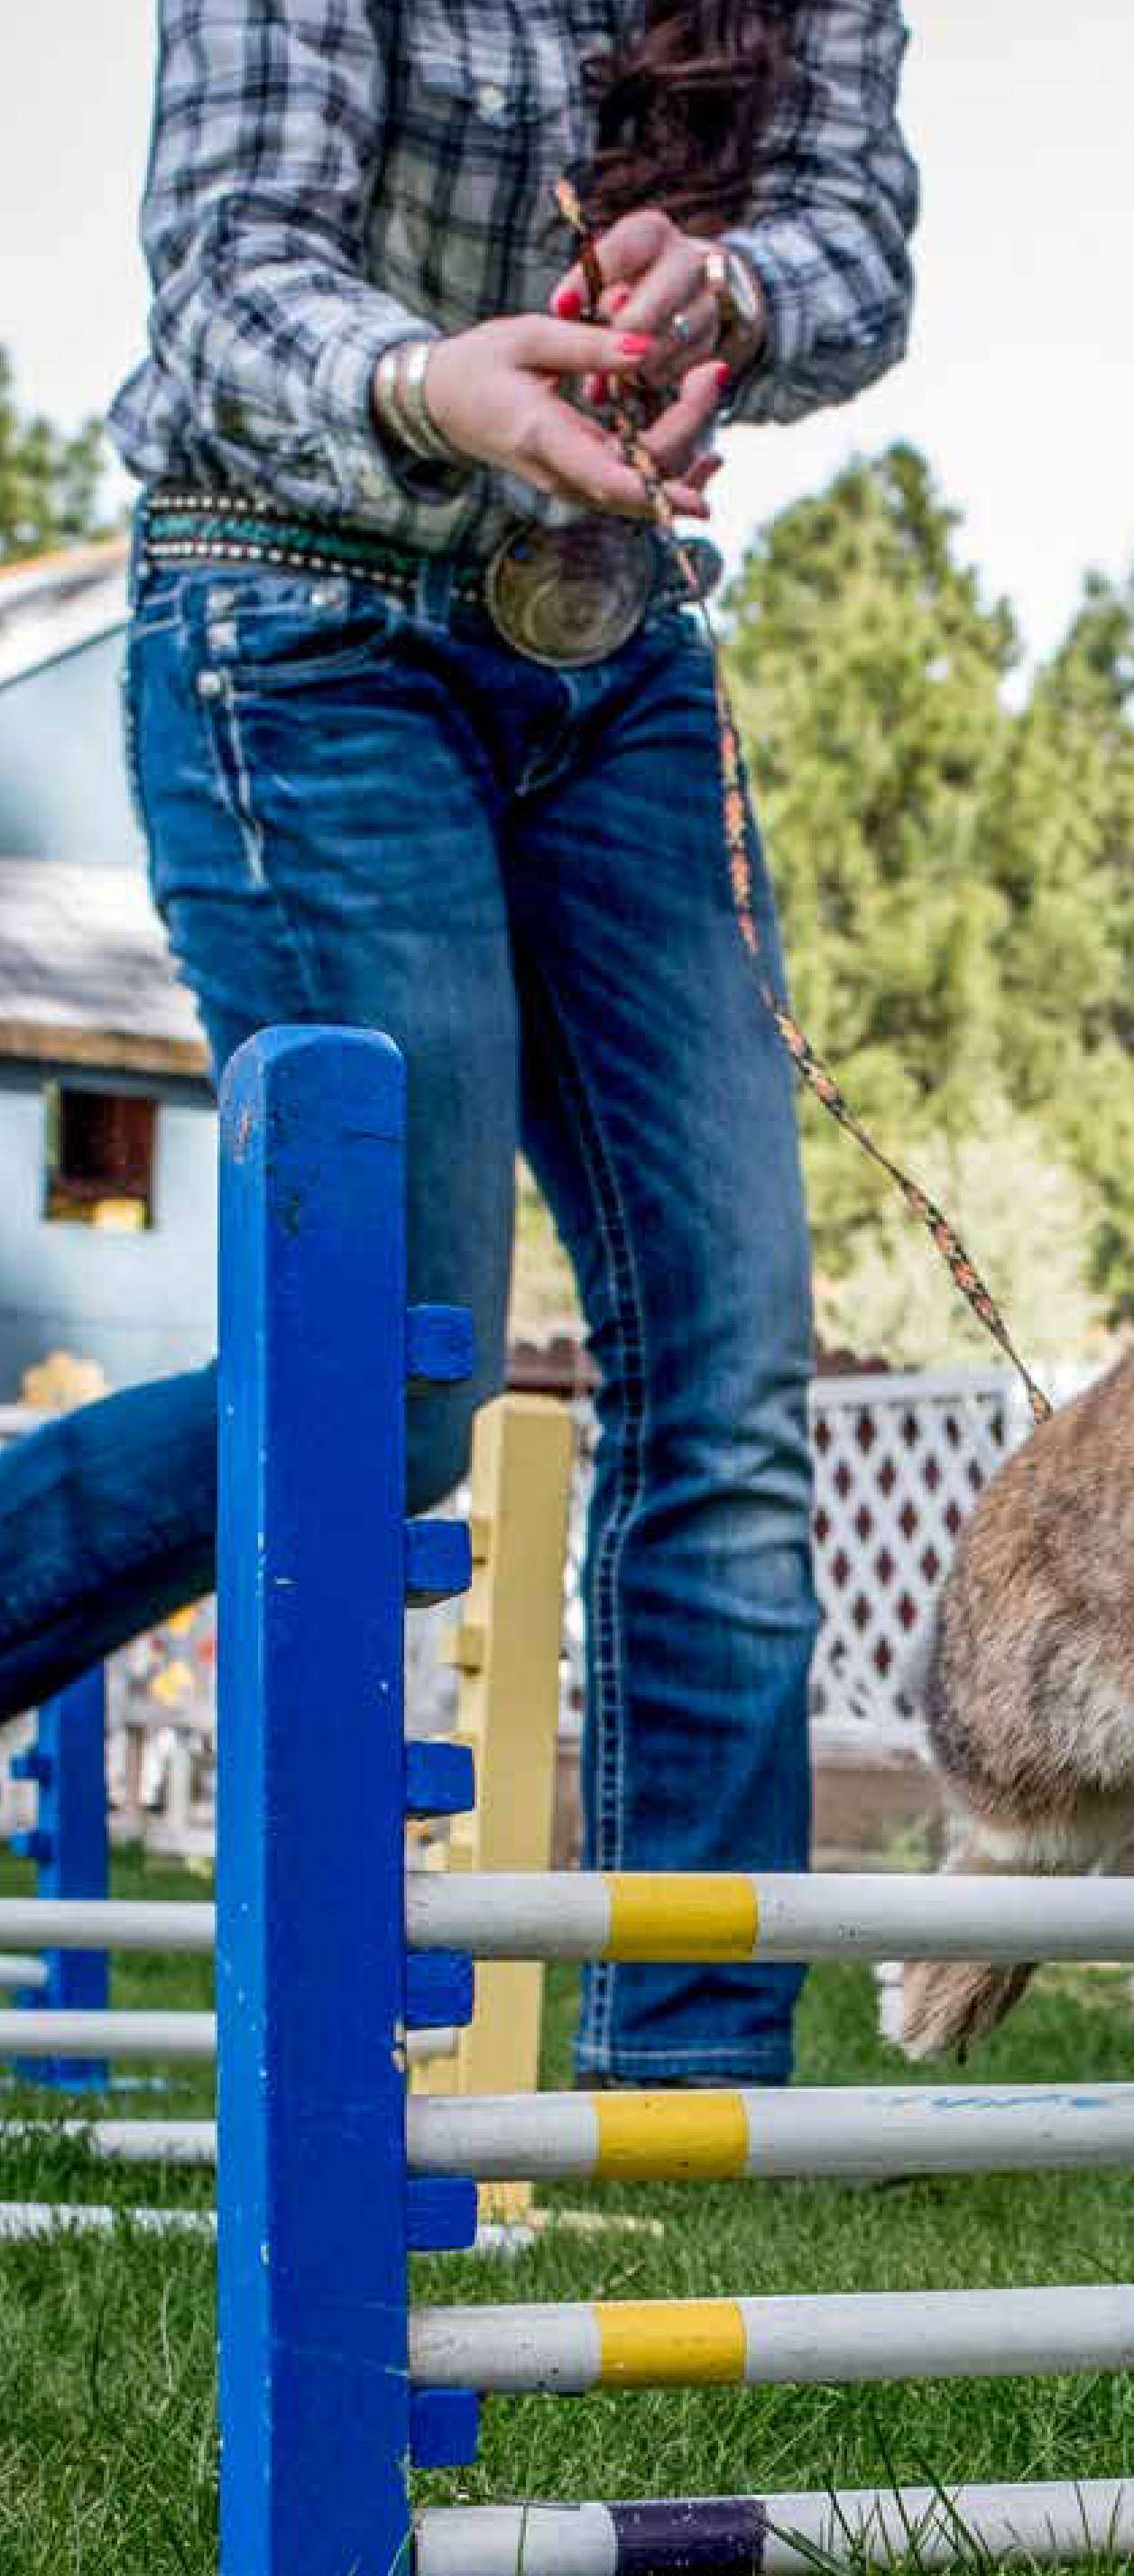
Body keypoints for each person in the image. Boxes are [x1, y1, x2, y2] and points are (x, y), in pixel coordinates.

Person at [0, 2, 917, 2085]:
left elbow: (861, 247)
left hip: (612, 650)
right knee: (399, 1388)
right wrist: (431, 381)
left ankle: (693, 2095)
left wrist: (737, 288)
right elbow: (227, 275)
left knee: (733, 1365)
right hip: (298, 623)